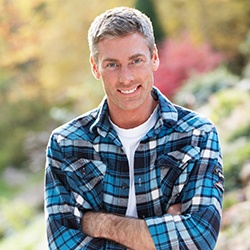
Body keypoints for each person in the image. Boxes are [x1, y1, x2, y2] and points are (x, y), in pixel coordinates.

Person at [45, 6, 224, 250]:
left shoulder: (197, 134)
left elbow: (199, 238)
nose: (126, 77)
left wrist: (101, 224)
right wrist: (164, 232)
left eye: (136, 60)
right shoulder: (66, 144)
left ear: (154, 58)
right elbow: (63, 243)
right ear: (95, 67)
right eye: (112, 64)